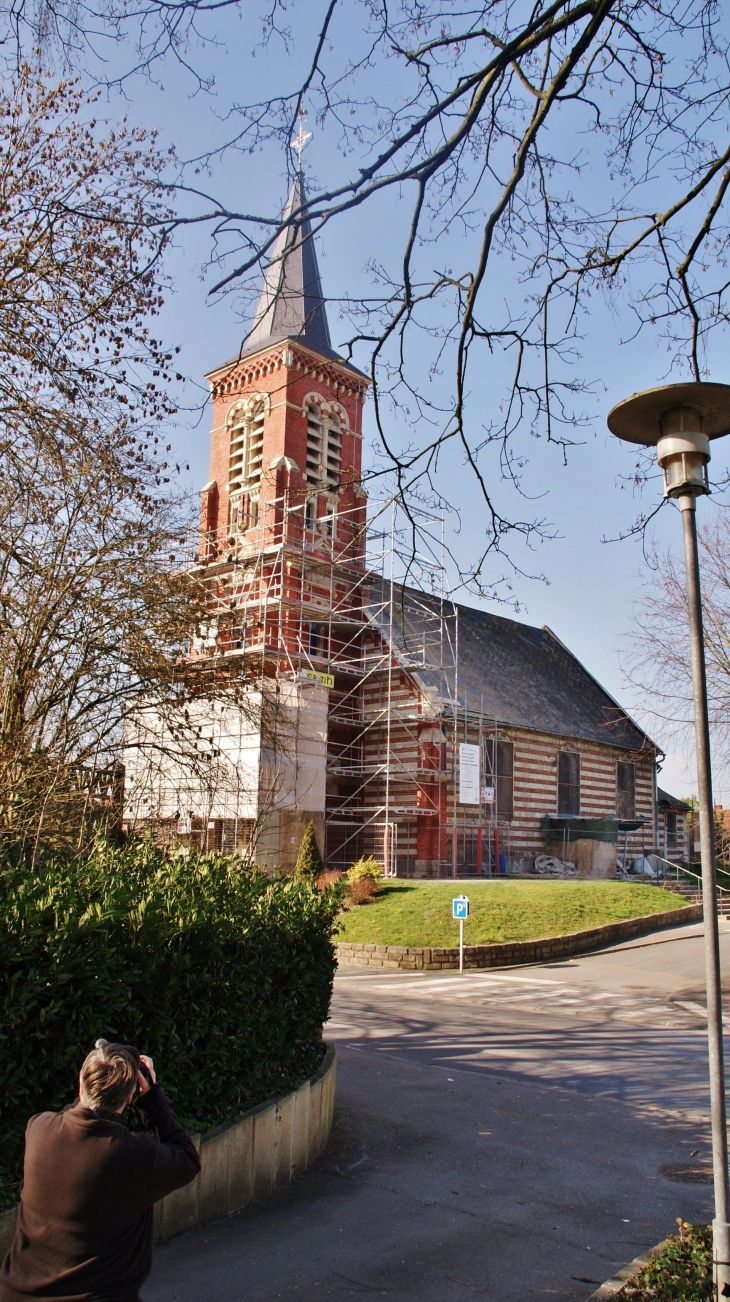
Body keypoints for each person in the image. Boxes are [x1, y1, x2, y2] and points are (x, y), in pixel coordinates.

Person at [0, 1041, 201, 1302]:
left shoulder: (39, 1129)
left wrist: (98, 1069)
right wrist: (151, 1095)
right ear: (130, 1097)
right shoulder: (136, 1155)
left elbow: (73, 1115)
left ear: (81, 1085)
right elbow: (188, 1158)